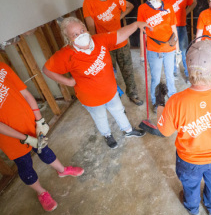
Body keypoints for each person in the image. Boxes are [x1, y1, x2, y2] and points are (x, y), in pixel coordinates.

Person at [0, 24, 84, 212]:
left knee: (45, 151)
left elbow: (26, 94)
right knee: (25, 166)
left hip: (31, 126)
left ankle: (62, 171)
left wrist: (39, 120)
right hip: (10, 139)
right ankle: (41, 192)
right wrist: (25, 139)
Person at [156, 37, 211, 215]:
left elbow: (164, 131)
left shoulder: (176, 101)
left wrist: (160, 105)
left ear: (187, 70)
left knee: (190, 186)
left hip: (189, 161)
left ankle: (193, 209)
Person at [43, 17, 147, 149]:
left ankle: (128, 130)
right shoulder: (66, 55)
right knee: (100, 117)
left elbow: (119, 35)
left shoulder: (99, 40)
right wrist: (68, 82)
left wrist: (136, 24)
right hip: (91, 98)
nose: (81, 35)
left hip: (110, 90)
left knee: (119, 110)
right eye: (75, 34)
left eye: (82, 30)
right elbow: (46, 70)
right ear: (68, 38)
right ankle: (107, 135)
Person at [83, 0, 143, 106]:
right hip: (104, 46)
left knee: (128, 70)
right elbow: (91, 28)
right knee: (109, 75)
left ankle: (132, 94)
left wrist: (118, 17)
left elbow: (130, 6)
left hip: (120, 41)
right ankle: (115, 98)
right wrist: (96, 49)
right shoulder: (89, 3)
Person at [137, 0, 179, 111]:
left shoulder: (169, 7)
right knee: (155, 78)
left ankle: (172, 98)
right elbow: (142, 32)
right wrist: (142, 55)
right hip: (153, 49)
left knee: (170, 76)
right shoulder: (142, 9)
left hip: (169, 48)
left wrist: (177, 50)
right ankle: (157, 101)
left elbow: (174, 29)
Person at [163, 0, 197, 82]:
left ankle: (188, 73)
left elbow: (194, 3)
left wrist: (186, 12)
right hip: (168, 29)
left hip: (181, 26)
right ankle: (173, 71)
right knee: (171, 49)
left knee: (183, 50)